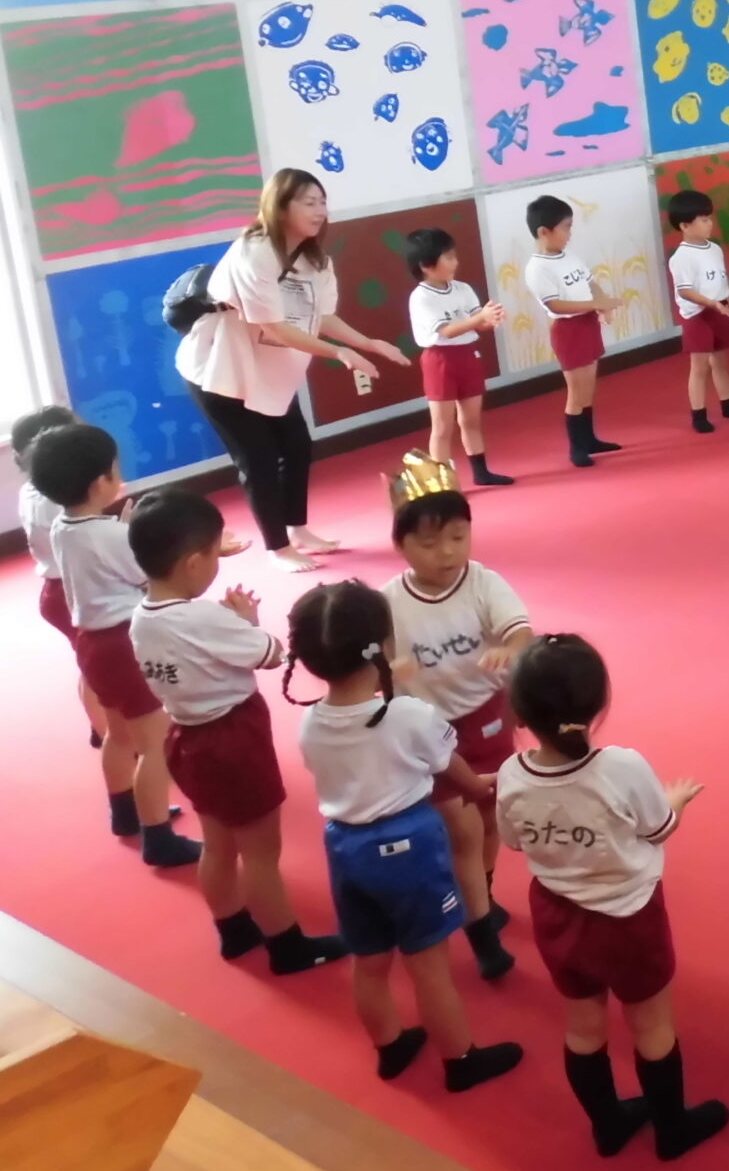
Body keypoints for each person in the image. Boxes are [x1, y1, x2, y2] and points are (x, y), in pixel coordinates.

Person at [285, 579, 522, 1091]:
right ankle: (460, 1059)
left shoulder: (309, 723)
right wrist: (478, 784)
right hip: (407, 846)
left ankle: (390, 1045)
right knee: (429, 965)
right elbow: (450, 766)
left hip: (345, 846)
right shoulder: (408, 714)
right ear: (382, 648)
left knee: (369, 961)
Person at [499, 633, 729, 1162]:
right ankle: (672, 1129)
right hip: (628, 918)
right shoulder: (621, 767)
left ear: (520, 712)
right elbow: (657, 828)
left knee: (583, 1026)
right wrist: (675, 800)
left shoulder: (513, 774)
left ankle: (608, 1125)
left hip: (556, 915)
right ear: (597, 703)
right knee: (651, 1023)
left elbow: (512, 839)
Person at [126, 488, 346, 973]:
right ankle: (288, 947)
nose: (216, 564)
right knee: (262, 853)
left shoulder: (141, 617)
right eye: (213, 554)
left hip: (185, 737)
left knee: (219, 843)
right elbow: (270, 653)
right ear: (192, 563)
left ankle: (232, 928)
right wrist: (248, 622)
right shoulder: (201, 616)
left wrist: (231, 627)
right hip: (232, 739)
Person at [177, 168, 412, 571]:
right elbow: (275, 328)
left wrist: (368, 343)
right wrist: (339, 354)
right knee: (258, 459)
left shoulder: (316, 260)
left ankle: (297, 529)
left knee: (297, 446)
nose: (320, 211)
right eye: (309, 202)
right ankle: (277, 548)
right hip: (222, 372)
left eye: (323, 202)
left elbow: (322, 317)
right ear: (281, 206)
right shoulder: (255, 252)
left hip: (271, 372)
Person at [28, 421, 200, 869]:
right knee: (155, 743)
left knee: (119, 735)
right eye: (115, 469)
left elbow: (104, 557)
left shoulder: (64, 526)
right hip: (125, 643)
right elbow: (149, 576)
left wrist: (123, 531)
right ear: (99, 483)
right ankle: (158, 837)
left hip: (93, 643)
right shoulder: (111, 535)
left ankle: (124, 812)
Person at [384, 464, 527, 982]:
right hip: (431, 733)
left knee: (489, 821)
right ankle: (482, 934)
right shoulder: (388, 602)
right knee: (463, 834)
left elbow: (521, 633)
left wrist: (510, 650)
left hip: (488, 720)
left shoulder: (482, 581)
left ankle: (479, 894)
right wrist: (388, 670)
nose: (446, 553)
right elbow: (365, 670)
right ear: (400, 545)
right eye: (428, 544)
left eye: (458, 537)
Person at [14, 405, 106, 746]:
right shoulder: (59, 505)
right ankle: (110, 734)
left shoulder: (32, 492)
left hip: (57, 591)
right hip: (74, 593)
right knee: (99, 670)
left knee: (90, 665)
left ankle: (102, 728)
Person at [405, 227, 511, 488]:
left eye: (454, 256)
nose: (456, 262)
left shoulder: (462, 289)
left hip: (468, 355)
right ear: (426, 265)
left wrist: (491, 318)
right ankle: (441, 484)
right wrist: (480, 317)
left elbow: (477, 323)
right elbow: (447, 331)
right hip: (440, 360)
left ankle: (481, 472)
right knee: (442, 427)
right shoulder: (420, 297)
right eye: (448, 257)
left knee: (471, 420)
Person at [525, 193, 623, 469]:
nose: (570, 233)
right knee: (576, 391)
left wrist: (603, 304)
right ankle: (576, 447)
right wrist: (596, 304)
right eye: (566, 227)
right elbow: (555, 304)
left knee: (588, 387)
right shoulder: (537, 268)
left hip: (588, 323)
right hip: (568, 330)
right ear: (544, 232)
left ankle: (589, 439)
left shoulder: (570, 257)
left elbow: (591, 283)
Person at [664, 189, 729, 435]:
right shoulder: (681, 257)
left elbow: (723, 280)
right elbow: (685, 291)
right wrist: (711, 303)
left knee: (721, 361)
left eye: (709, 218)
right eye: (703, 220)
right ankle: (698, 414)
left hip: (719, 310)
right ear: (685, 226)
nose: (710, 224)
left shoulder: (714, 249)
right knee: (699, 367)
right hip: (699, 316)